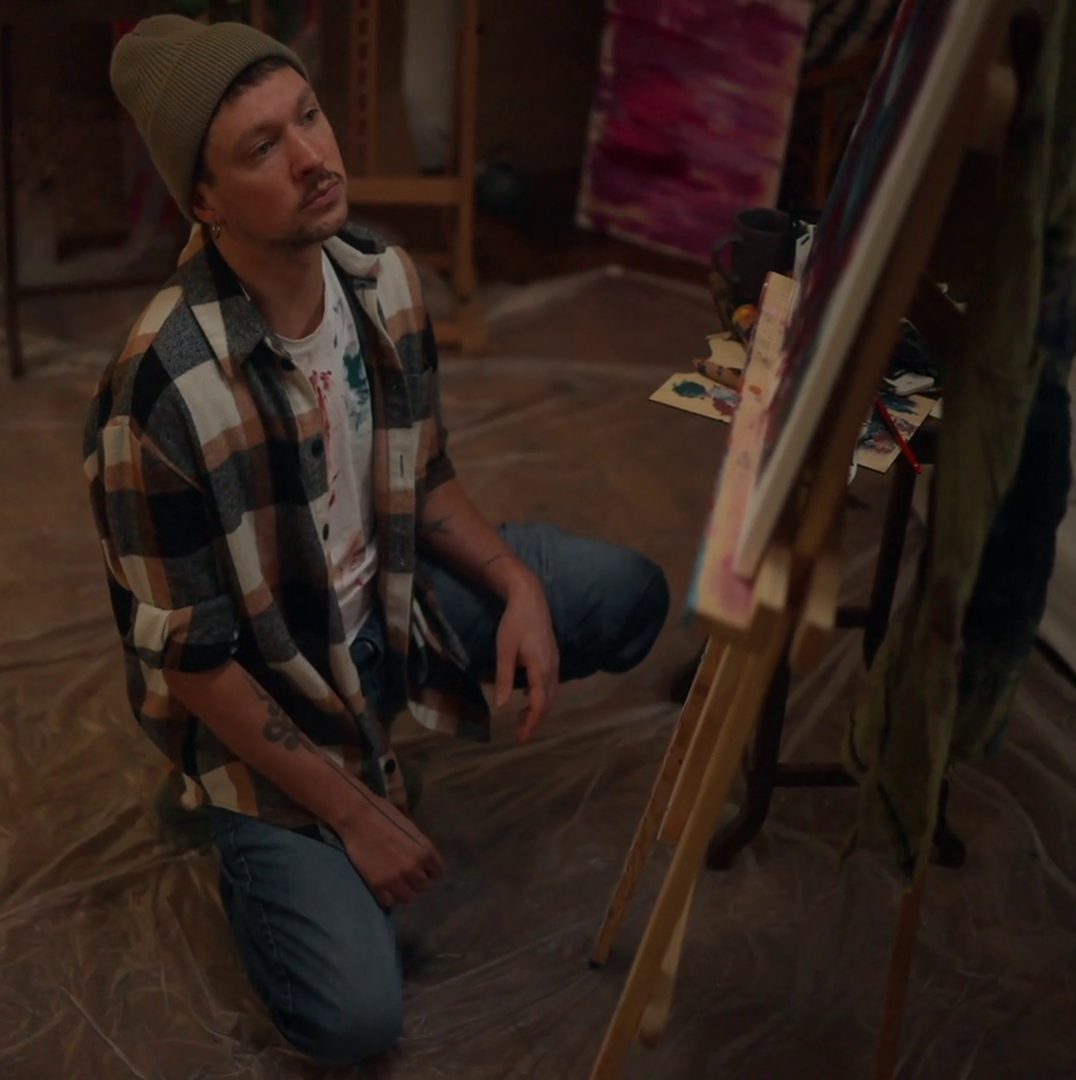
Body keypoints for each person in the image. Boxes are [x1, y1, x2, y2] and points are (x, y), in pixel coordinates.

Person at [86, 15, 670, 1066]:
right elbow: (193, 660)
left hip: (393, 616)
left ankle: (379, 730)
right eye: (263, 147)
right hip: (268, 690)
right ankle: (232, 816)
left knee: (626, 593)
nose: (314, 157)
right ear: (205, 202)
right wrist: (354, 814)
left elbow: (422, 474)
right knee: (355, 1021)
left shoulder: (382, 278)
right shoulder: (161, 391)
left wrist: (512, 584)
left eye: (309, 116)